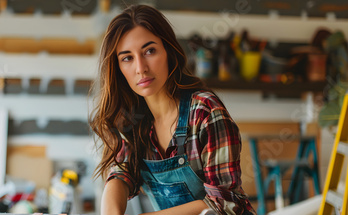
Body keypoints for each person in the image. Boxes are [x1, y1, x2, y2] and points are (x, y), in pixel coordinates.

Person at [89, 5, 256, 215]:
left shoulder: (205, 112)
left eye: (149, 51)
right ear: (119, 69)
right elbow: (120, 174)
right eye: (127, 58)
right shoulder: (132, 119)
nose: (140, 68)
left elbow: (225, 204)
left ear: (169, 51)